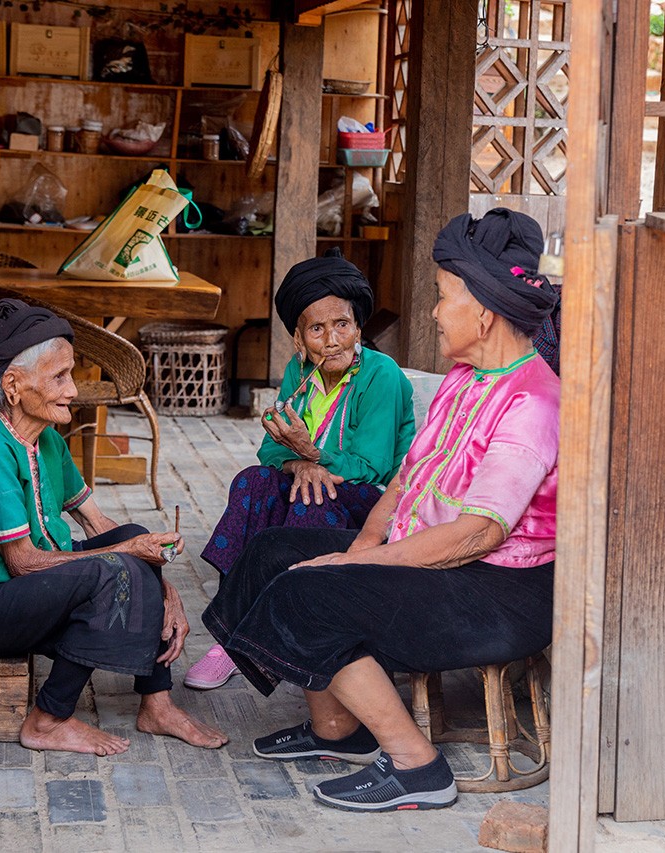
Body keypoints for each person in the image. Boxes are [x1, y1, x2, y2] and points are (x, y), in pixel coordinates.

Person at [200, 208, 560, 811]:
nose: (435, 311)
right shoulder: (465, 378)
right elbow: (405, 481)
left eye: (445, 297)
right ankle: (337, 732)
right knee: (270, 554)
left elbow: (477, 534)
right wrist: (361, 548)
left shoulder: (532, 400)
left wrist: (360, 568)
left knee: (310, 592)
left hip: (500, 591)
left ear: (485, 311)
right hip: (444, 562)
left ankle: (418, 767)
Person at [0, 299, 227, 755]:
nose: (74, 390)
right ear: (13, 385)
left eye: (72, 375)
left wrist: (165, 591)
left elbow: (102, 525)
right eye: (59, 377)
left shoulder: (43, 438)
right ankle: (47, 721)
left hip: (12, 594)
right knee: (109, 570)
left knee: (128, 537)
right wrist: (127, 558)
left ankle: (157, 704)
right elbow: (23, 562)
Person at [185, 250, 415, 691]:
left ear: (358, 327)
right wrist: (299, 461)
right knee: (252, 484)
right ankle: (235, 633)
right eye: (317, 328)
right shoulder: (300, 371)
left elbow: (372, 467)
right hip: (316, 483)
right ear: (298, 337)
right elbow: (270, 450)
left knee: (312, 497)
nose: (331, 340)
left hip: (374, 502)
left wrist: (312, 455)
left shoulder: (380, 376)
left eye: (342, 325)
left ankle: (279, 638)